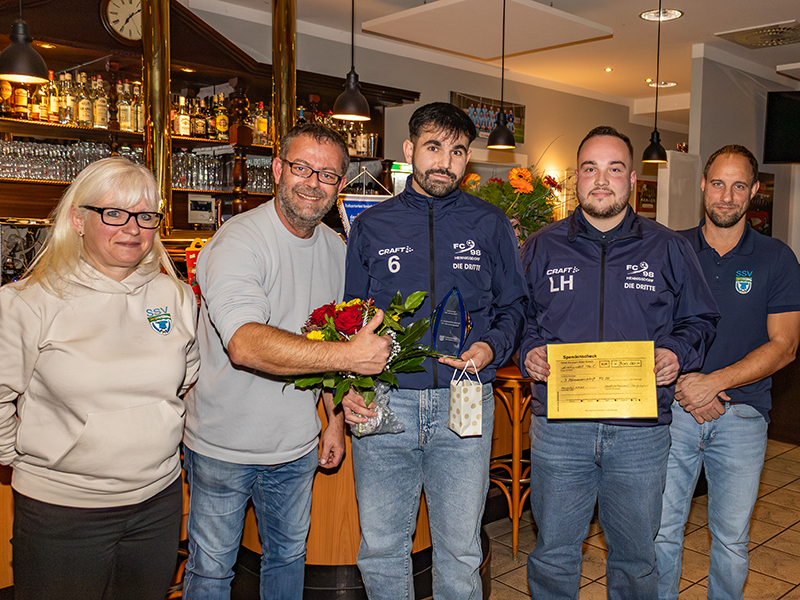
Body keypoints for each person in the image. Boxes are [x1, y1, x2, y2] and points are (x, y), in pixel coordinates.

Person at [182, 123, 391, 600]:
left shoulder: (336, 249)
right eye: (302, 168)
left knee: (287, 560)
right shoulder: (239, 241)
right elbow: (245, 344)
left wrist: (332, 422)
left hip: (296, 446)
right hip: (223, 446)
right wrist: (350, 355)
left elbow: (328, 342)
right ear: (278, 169)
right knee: (211, 572)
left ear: (340, 186)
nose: (313, 183)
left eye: (328, 175)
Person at [519, 125, 719, 599]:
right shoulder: (541, 246)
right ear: (577, 177)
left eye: (614, 169)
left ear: (631, 179)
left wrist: (676, 352)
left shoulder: (668, 247)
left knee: (635, 559)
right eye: (590, 169)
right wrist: (527, 350)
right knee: (553, 554)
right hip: (560, 429)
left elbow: (701, 319)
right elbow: (516, 315)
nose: (601, 179)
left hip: (640, 434)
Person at [342, 102, 528, 599]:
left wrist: (491, 347)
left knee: (461, 550)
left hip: (465, 399)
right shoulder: (371, 226)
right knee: (381, 548)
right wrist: (350, 387)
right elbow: (349, 318)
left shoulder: (490, 224)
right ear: (409, 150)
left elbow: (515, 305)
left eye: (458, 151)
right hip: (385, 401)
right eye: (433, 147)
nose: (445, 161)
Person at [0, 157, 199, 600]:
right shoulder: (29, 302)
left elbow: (186, 376)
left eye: (145, 216)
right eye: (114, 213)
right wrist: (32, 457)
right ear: (78, 220)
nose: (132, 228)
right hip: (63, 509)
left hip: (158, 502)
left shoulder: (175, 295)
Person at [655, 145, 800, 600]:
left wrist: (714, 382)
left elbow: (785, 345)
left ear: (754, 191)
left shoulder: (777, 258)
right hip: (674, 413)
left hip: (743, 417)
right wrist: (688, 388)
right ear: (703, 184)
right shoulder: (670, 249)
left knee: (732, 540)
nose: (727, 196)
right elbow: (647, 332)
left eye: (739, 186)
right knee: (661, 532)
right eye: (718, 183)